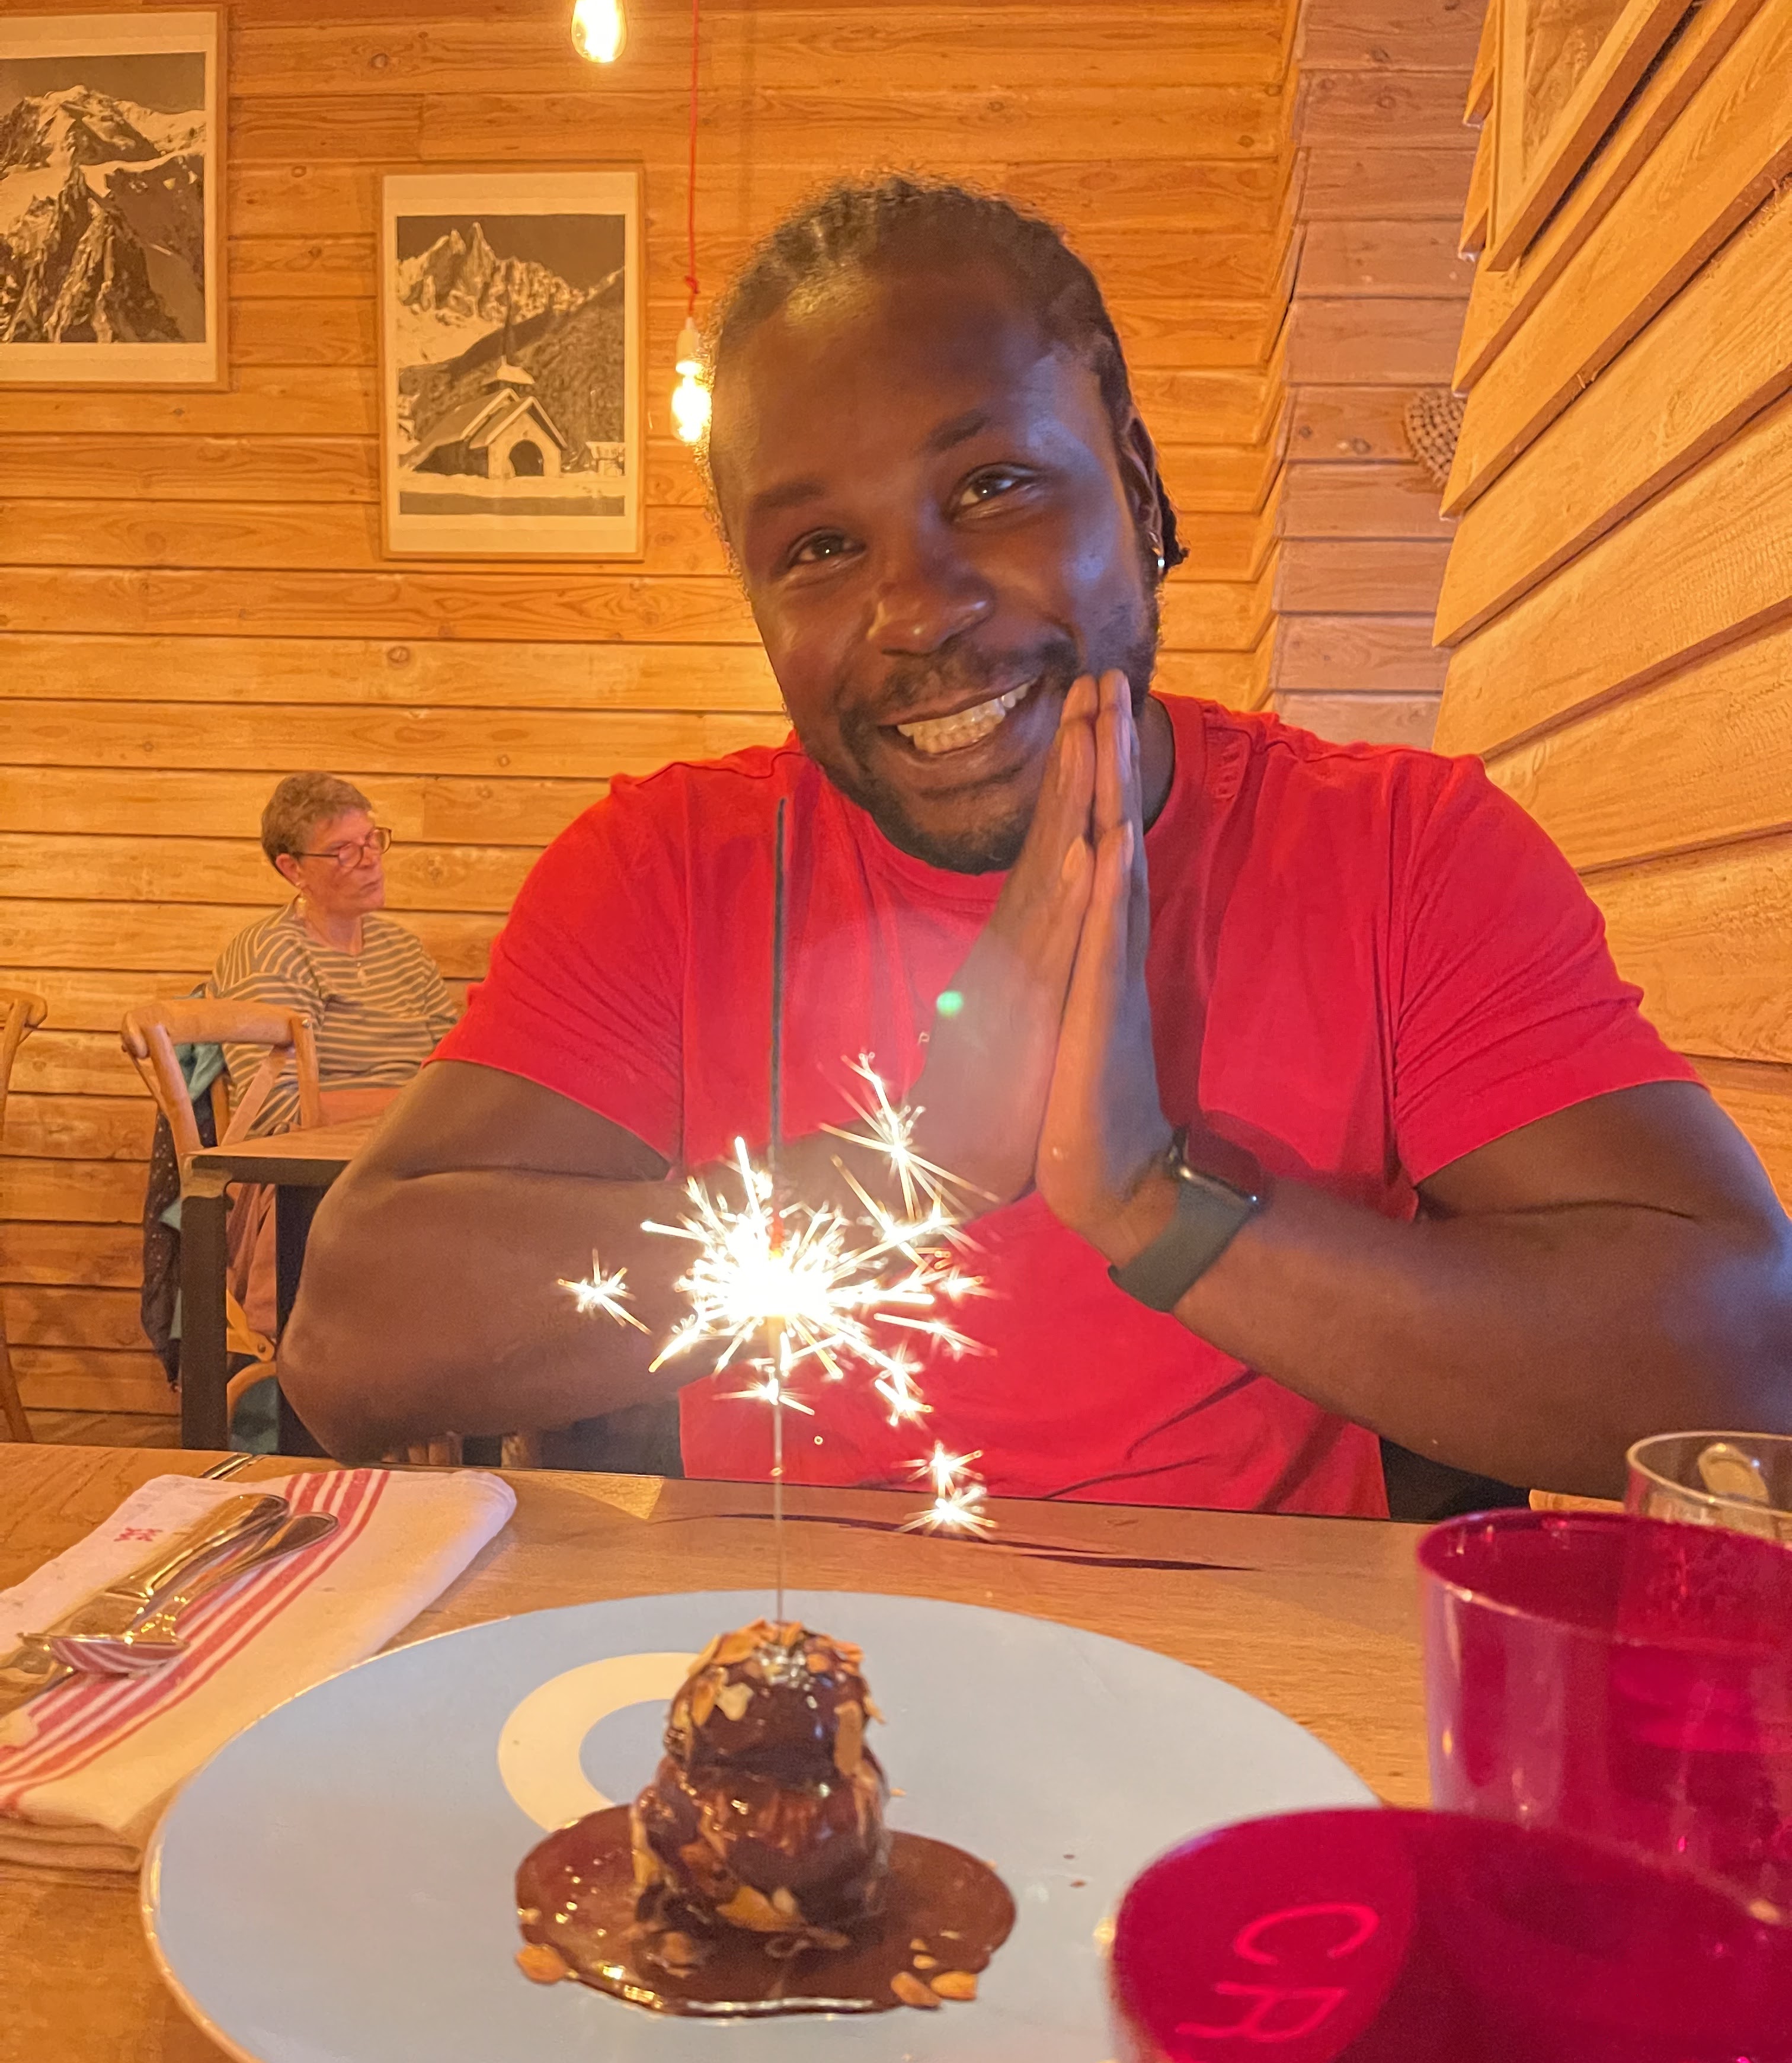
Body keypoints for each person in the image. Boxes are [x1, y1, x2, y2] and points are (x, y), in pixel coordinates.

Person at [280, 180, 1792, 1511]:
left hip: (1257, 1688)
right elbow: (350, 1342)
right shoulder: (670, 870)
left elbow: (1747, 1373)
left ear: (1137, 484)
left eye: (992, 486)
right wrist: (912, 1172)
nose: (916, 610)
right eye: (820, 548)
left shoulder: (1401, 850)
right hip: (793, 1687)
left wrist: (1154, 1203)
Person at [210, 772, 458, 1333]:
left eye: (372, 841)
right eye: (344, 851)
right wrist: (421, 1103)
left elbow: (451, 1067)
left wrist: (444, 1103)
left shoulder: (403, 951)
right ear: (292, 869)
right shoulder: (273, 952)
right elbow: (278, 1110)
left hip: (408, 1161)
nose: (370, 861)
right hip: (316, 1182)